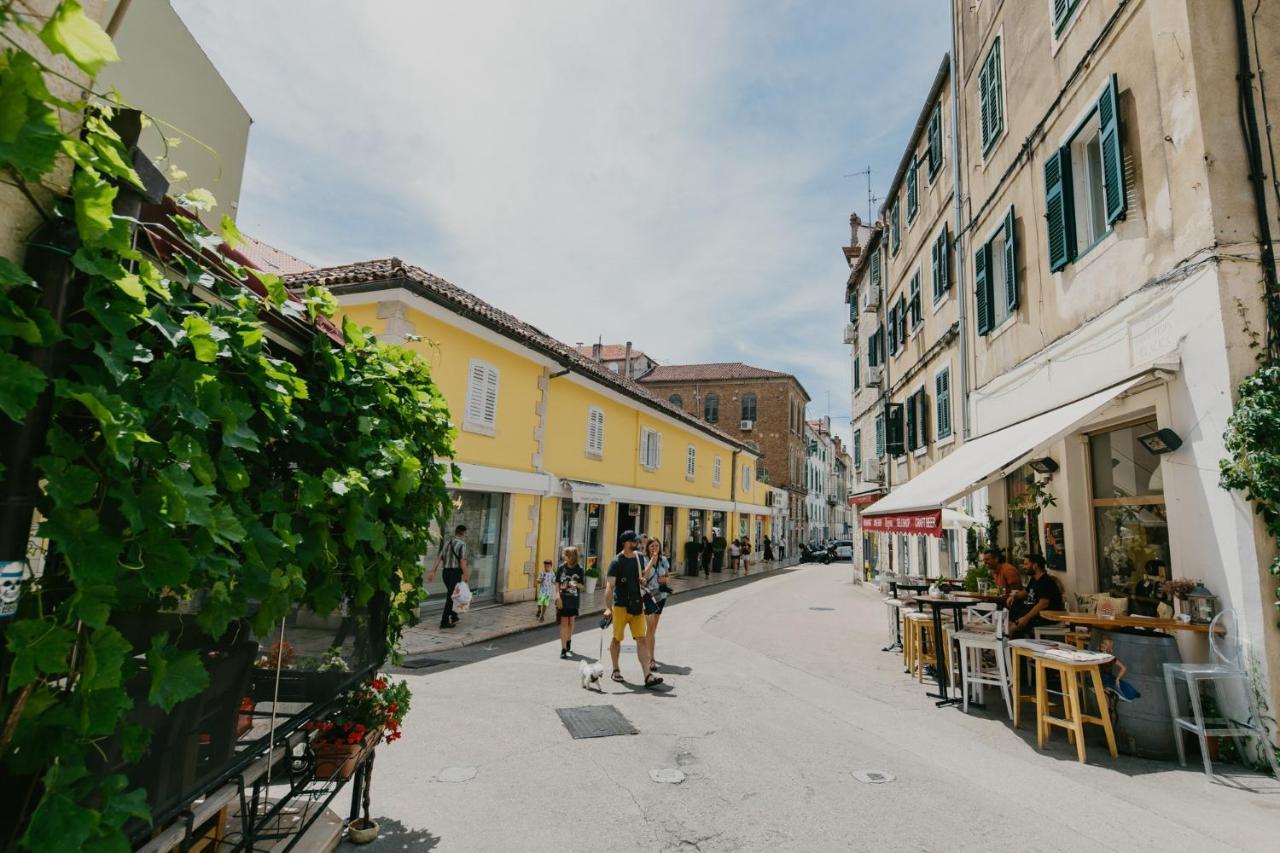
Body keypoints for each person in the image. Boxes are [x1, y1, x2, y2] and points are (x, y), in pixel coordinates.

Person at [602, 531, 663, 687]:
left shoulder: (638, 557)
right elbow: (610, 586)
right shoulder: (616, 562)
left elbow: (642, 575)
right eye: (634, 541)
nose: (637, 543)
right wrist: (608, 608)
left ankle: (647, 675)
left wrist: (644, 576)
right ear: (626, 543)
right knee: (617, 639)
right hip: (621, 606)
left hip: (636, 605)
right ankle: (616, 670)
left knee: (642, 639)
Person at [1006, 554, 1064, 638]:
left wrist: (1025, 618)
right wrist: (1014, 596)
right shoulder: (1034, 579)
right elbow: (1026, 592)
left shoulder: (1046, 581)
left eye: (1026, 564)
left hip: (1044, 616)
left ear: (1035, 565)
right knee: (1011, 610)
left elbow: (1043, 604)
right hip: (1033, 612)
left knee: (1014, 626)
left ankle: (1012, 643)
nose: (1024, 567)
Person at [427, 524, 469, 629]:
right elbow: (463, 561)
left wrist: (433, 571)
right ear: (463, 533)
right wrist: (466, 575)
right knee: (451, 597)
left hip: (445, 573)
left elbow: (439, 558)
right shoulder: (462, 544)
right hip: (455, 573)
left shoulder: (447, 543)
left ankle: (454, 616)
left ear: (456, 532)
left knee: (453, 595)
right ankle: (444, 622)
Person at [641, 537, 670, 674]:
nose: (654, 548)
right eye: (652, 546)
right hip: (648, 597)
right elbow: (643, 577)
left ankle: (649, 653)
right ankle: (650, 659)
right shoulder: (643, 560)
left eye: (657, 546)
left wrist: (665, 579)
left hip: (661, 597)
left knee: (653, 630)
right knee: (650, 628)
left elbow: (668, 576)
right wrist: (652, 561)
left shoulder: (664, 560)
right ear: (647, 548)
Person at [555, 547, 585, 658]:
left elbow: (582, 586)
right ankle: (563, 649)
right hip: (563, 599)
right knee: (564, 623)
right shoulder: (561, 567)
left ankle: (568, 639)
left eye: (566, 555)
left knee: (571, 622)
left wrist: (575, 584)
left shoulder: (579, 569)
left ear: (571, 556)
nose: (564, 556)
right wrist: (558, 596)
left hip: (573, 600)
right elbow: (557, 582)